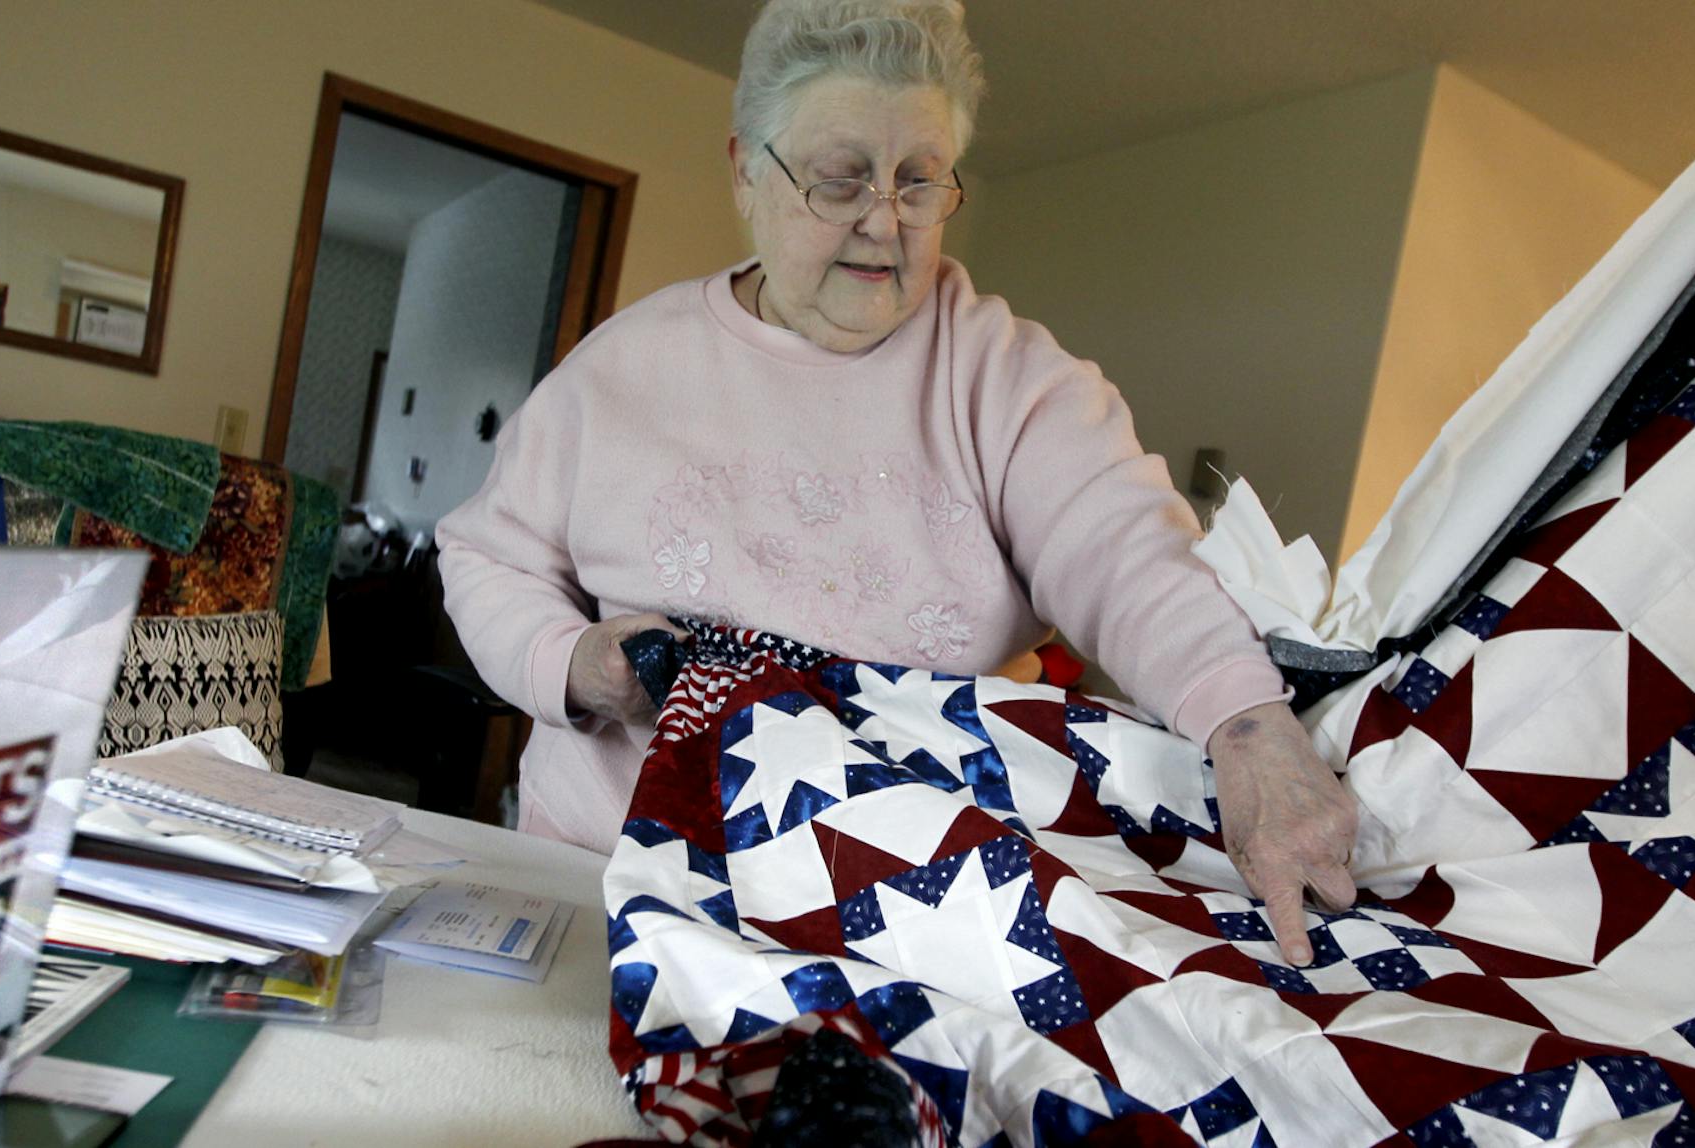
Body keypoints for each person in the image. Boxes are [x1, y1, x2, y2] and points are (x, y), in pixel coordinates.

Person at [435, 0, 1356, 965]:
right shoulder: (619, 372)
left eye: (918, 181)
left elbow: (1127, 558)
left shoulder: (1008, 381)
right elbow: (487, 554)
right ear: (746, 170)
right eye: (840, 180)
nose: (884, 222)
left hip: (893, 918)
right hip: (602, 869)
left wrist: (1249, 731)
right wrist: (571, 662)